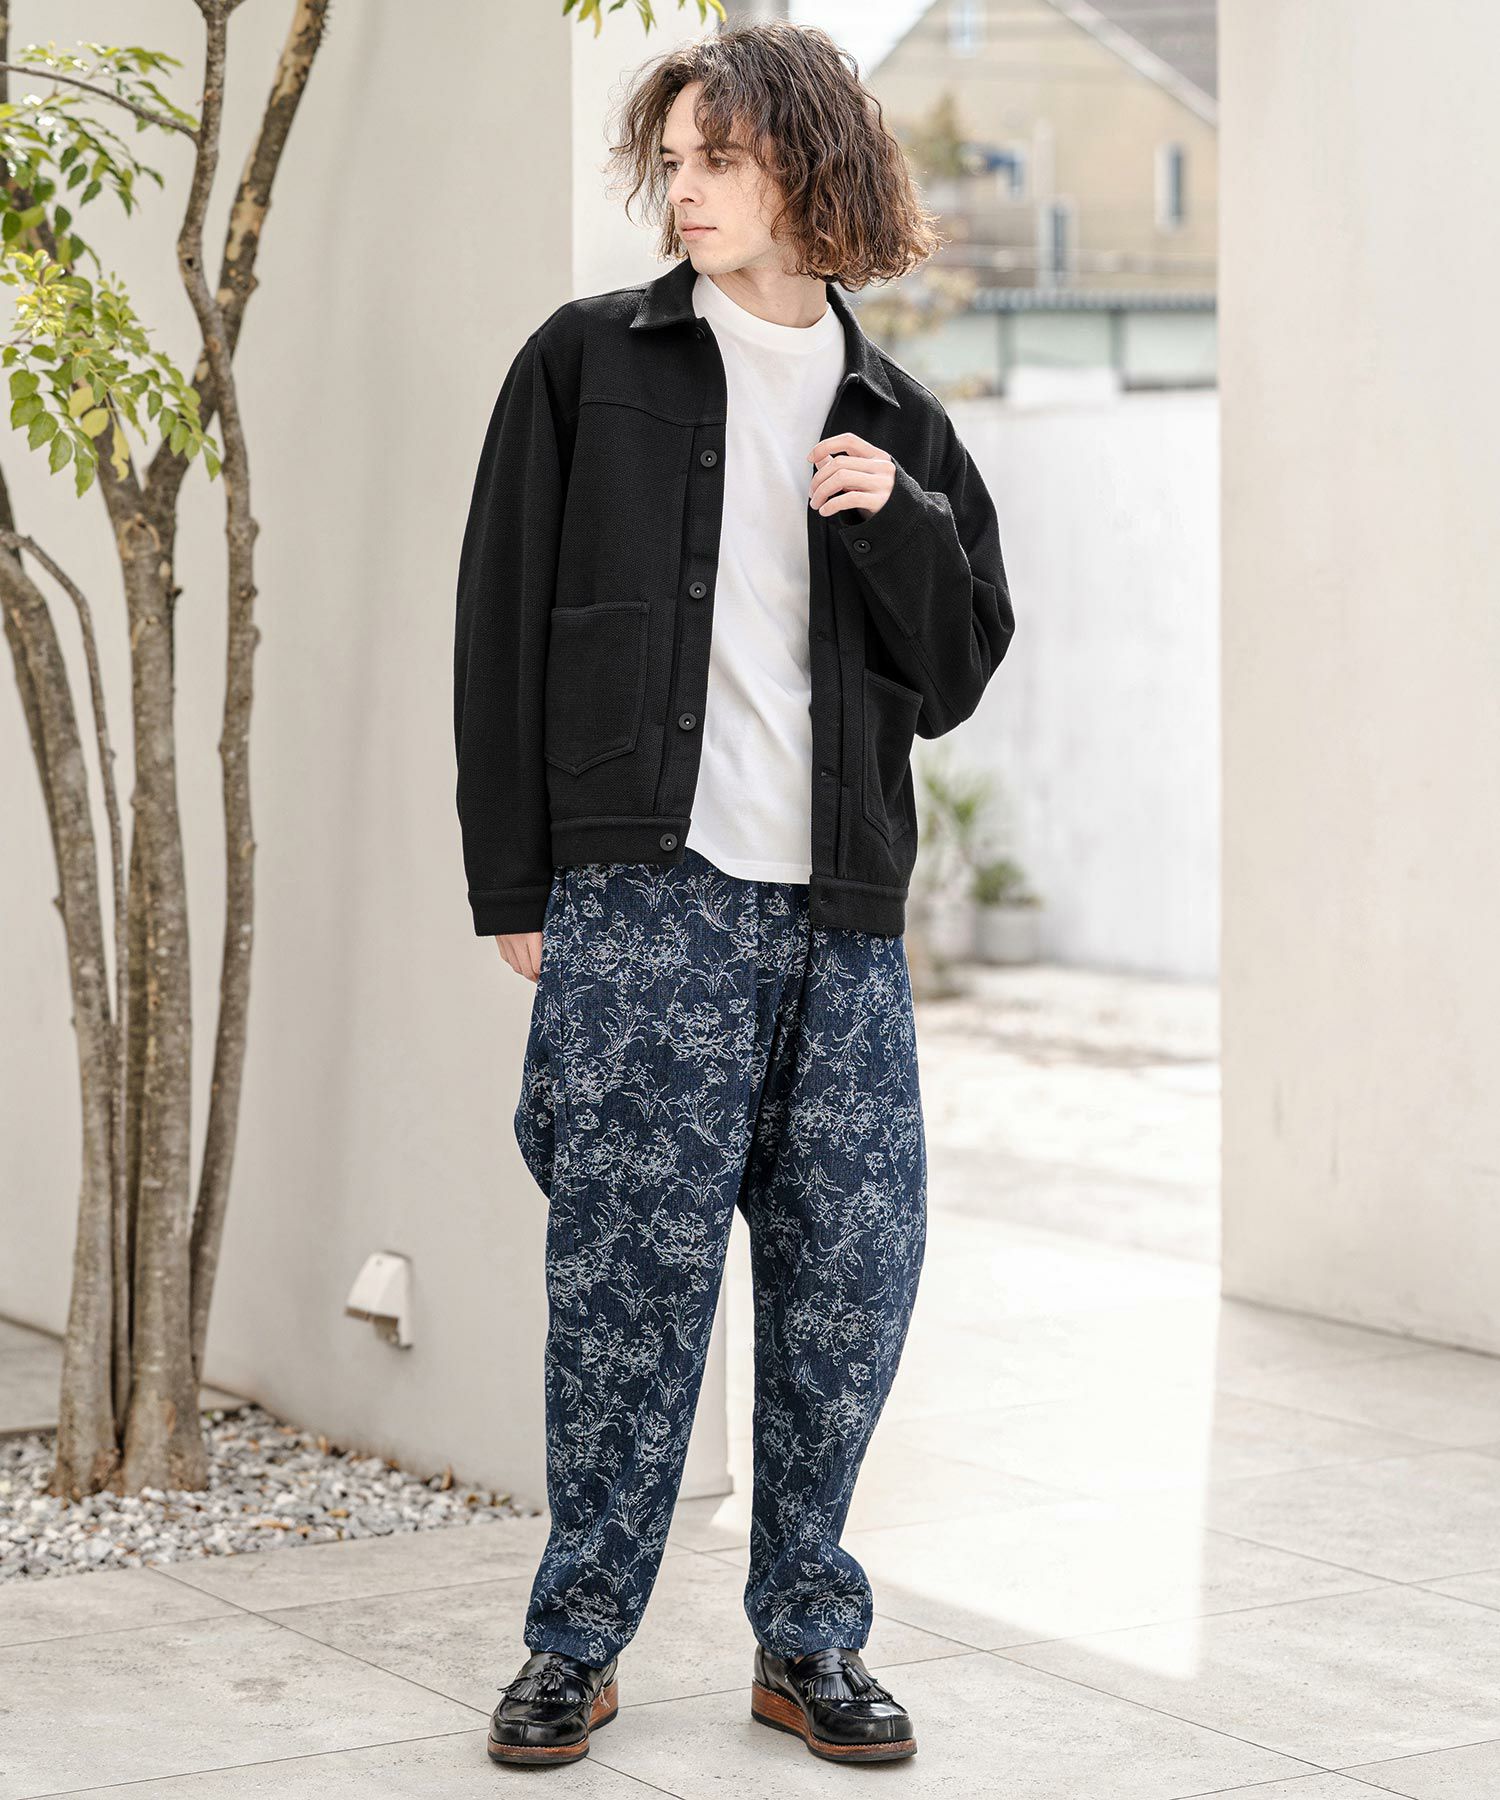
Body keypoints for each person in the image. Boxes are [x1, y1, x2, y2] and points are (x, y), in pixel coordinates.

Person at [452, 19, 1013, 1770]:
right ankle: (575, 1645)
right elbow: (496, 628)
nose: (683, 192)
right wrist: (513, 877)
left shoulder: (897, 417)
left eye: (721, 160)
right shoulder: (585, 366)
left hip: (838, 922)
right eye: (674, 162)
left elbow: (961, 669)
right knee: (626, 1289)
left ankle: (808, 1643)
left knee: (852, 1277)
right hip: (650, 901)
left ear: (810, 170)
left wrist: (900, 522)